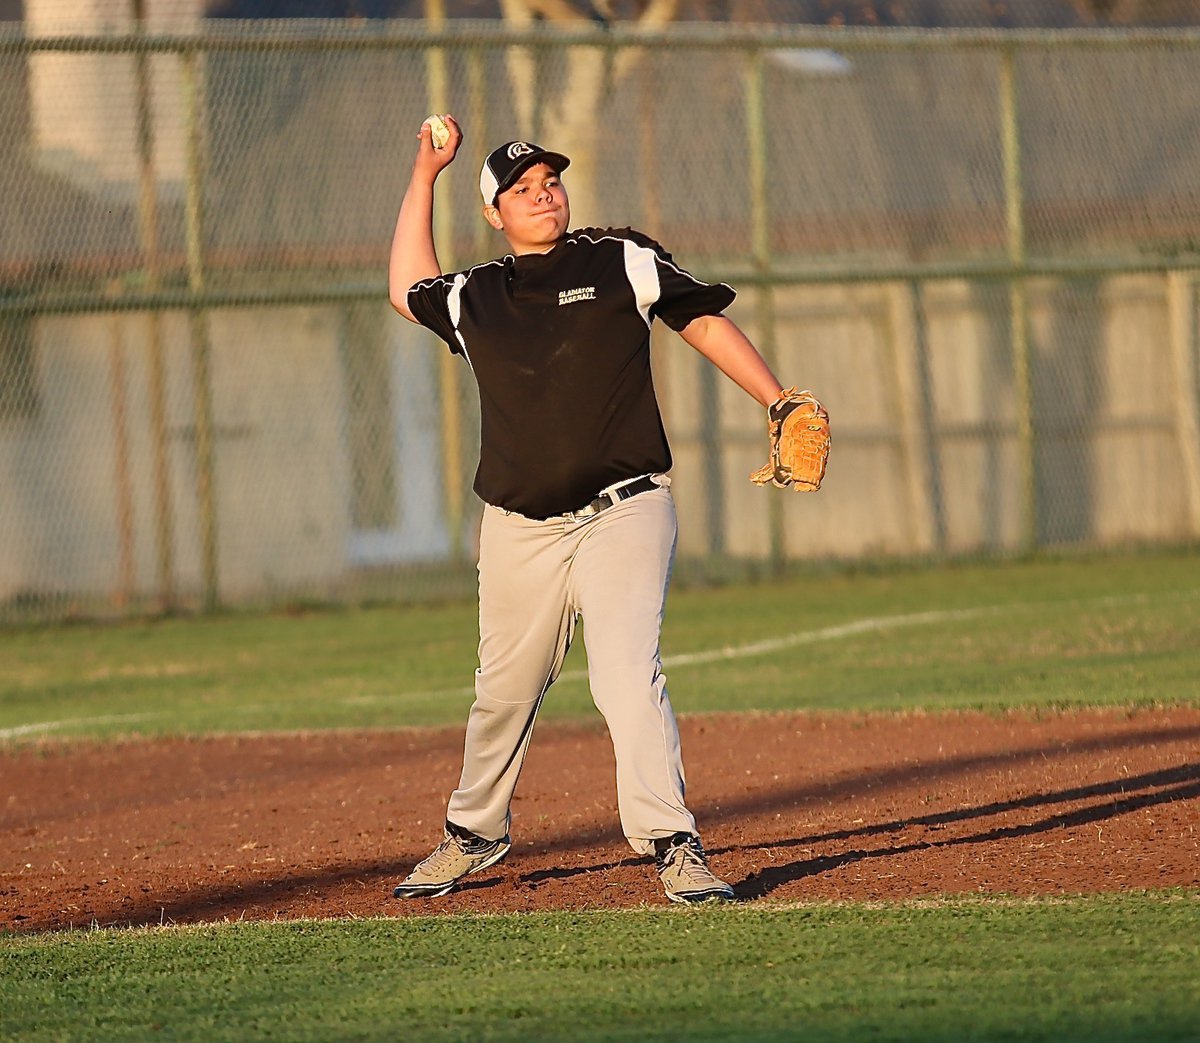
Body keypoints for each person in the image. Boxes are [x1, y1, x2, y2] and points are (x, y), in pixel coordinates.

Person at [387, 115, 790, 904]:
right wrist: (425, 174)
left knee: (624, 676)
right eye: (521, 189)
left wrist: (775, 399)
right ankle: (475, 832)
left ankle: (673, 842)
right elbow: (405, 289)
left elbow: (699, 318)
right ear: (494, 214)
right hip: (517, 524)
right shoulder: (479, 296)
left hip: (625, 510)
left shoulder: (620, 260)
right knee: (503, 688)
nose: (543, 195)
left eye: (551, 182)